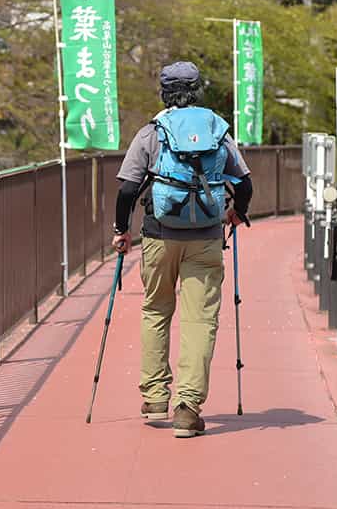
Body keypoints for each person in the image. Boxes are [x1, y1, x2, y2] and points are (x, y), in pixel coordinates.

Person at [111, 61, 253, 438]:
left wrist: (121, 231)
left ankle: (155, 395)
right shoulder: (217, 131)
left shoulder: (152, 133)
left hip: (159, 235)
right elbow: (244, 183)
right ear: (198, 91)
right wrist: (237, 213)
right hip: (205, 238)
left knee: (156, 310)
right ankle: (188, 408)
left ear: (164, 93)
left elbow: (127, 190)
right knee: (200, 321)